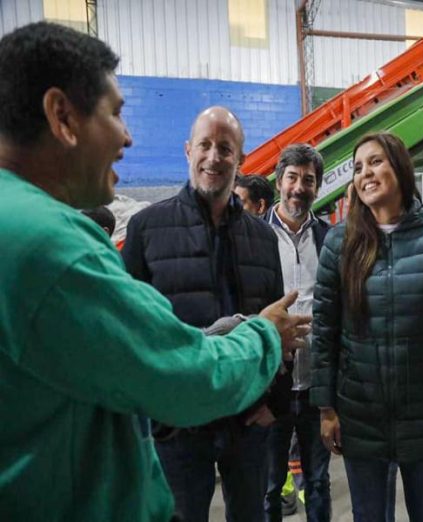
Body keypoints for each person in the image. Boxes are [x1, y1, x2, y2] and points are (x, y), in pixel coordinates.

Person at [0, 22, 309, 521]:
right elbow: (182, 375)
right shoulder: (58, 248)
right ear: (62, 116)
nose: (127, 136)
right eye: (115, 113)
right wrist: (265, 336)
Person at [121, 105, 290, 522]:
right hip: (180, 425)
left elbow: (280, 324)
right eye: (205, 145)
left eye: (225, 148)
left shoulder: (263, 238)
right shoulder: (146, 229)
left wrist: (275, 402)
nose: (214, 157)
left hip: (247, 419)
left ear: (241, 158)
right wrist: (158, 417)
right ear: (188, 150)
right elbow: (130, 331)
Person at [312, 132, 423, 521]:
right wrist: (326, 408)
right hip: (360, 414)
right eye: (357, 168)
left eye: (375, 162)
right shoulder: (339, 243)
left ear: (399, 168)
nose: (364, 173)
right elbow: (325, 332)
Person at [263, 143, 332, 522]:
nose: (299, 188)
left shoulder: (328, 238)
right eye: (292, 178)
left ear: (317, 187)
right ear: (279, 182)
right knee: (270, 485)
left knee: (318, 481)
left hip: (314, 389)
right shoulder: (256, 236)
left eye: (308, 180)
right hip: (271, 386)